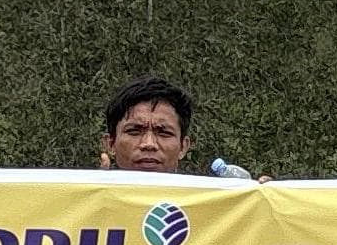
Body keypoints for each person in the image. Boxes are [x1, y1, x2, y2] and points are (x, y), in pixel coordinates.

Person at [102, 74, 250, 179]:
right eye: (134, 131)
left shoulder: (214, 204)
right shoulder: (84, 204)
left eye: (164, 133)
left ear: (183, 147)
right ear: (110, 144)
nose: (149, 144)